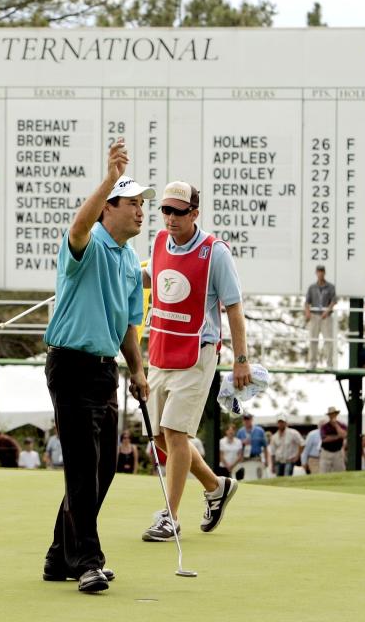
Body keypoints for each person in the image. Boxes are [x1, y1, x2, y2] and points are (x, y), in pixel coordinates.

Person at [40, 139, 150, 594]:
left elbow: (127, 323)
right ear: (109, 209)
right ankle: (88, 560)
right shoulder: (86, 244)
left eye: (145, 204)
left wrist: (138, 371)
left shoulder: (128, 261)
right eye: (132, 204)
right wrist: (108, 178)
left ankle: (57, 558)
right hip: (69, 365)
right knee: (83, 468)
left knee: (102, 470)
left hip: (106, 371)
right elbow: (78, 225)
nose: (141, 211)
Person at [141, 180, 250, 542]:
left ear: (194, 213)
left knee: (174, 432)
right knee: (159, 436)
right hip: (161, 350)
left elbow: (233, 307)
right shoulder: (158, 244)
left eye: (178, 212)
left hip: (198, 351)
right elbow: (153, 278)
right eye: (166, 211)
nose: (170, 218)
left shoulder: (214, 252)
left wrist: (241, 360)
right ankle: (216, 486)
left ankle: (169, 517)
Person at [304, 265, 336, 369]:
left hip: (326, 317)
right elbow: (307, 302)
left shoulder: (330, 287)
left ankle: (329, 364)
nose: (320, 273)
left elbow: (333, 301)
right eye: (318, 271)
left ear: (324, 273)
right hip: (314, 316)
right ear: (316, 273)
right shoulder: (312, 287)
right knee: (313, 340)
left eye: (322, 271)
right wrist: (307, 312)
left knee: (328, 340)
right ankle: (313, 362)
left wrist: (327, 311)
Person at [236, 413, 268, 480]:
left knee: (258, 477)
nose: (247, 421)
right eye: (245, 419)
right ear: (243, 420)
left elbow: (265, 446)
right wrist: (242, 442)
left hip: (256, 458)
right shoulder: (240, 432)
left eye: (248, 419)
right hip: (244, 459)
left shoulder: (260, 431)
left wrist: (266, 460)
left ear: (251, 420)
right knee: (246, 478)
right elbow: (237, 447)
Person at [319, 406, 347, 473]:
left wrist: (336, 426)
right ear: (329, 416)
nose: (332, 416)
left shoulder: (342, 425)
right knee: (323, 472)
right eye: (331, 414)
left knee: (340, 472)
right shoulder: (324, 427)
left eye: (334, 414)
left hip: (338, 452)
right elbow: (325, 439)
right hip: (326, 452)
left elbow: (344, 435)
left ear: (336, 414)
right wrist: (338, 437)